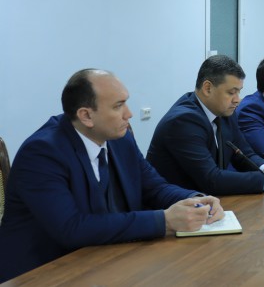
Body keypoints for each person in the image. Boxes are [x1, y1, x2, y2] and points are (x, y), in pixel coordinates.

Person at [0, 69, 224, 282]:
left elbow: (155, 187)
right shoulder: (42, 153)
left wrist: (196, 200)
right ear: (86, 115)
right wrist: (164, 221)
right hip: (45, 271)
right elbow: (71, 228)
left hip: (106, 259)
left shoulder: (120, 138)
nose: (129, 114)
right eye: (118, 106)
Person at [147, 55, 264, 196]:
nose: (237, 100)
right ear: (208, 88)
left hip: (210, 202)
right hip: (178, 207)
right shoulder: (183, 121)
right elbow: (211, 179)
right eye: (231, 92)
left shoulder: (224, 112)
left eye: (239, 92)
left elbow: (245, 153)